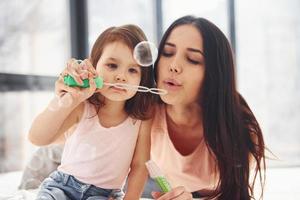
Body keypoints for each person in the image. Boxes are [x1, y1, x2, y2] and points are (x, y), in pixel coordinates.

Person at [53, 16, 267, 200]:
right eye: (167, 53)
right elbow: (62, 135)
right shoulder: (141, 105)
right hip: (132, 175)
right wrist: (67, 99)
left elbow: (234, 193)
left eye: (192, 59)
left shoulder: (239, 129)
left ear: (214, 74)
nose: (173, 65)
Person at [28, 24, 154, 200]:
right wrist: (68, 100)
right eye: (112, 65)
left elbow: (140, 165)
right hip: (62, 186)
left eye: (132, 70)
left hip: (104, 195)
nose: (121, 76)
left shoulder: (140, 118)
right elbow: (37, 138)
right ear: (94, 67)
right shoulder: (82, 105)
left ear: (143, 79)